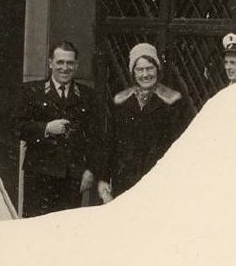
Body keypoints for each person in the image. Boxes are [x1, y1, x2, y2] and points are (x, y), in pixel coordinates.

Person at [96, 42, 196, 203]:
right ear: (133, 72)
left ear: (157, 69)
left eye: (150, 68)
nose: (145, 74)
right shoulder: (122, 101)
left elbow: (180, 145)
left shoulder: (172, 102)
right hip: (126, 180)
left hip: (159, 180)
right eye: (140, 69)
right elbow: (111, 142)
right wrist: (104, 178)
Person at [14, 41, 101, 217]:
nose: (65, 68)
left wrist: (90, 170)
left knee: (67, 227)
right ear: (50, 63)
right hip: (39, 176)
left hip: (71, 178)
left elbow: (95, 137)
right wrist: (46, 128)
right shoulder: (31, 91)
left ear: (76, 65)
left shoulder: (87, 96)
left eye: (70, 63)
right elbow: (16, 127)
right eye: (60, 62)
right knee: (36, 226)